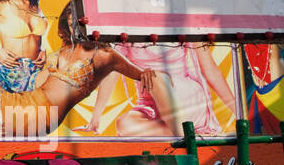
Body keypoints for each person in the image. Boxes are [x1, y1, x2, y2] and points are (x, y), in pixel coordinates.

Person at [0, 4, 176, 138]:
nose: (77, 30)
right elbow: (35, 85)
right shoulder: (64, 49)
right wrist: (39, 61)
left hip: (41, 115)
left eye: (81, 24)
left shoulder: (106, 55)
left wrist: (147, 73)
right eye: (72, 24)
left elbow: (142, 73)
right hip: (27, 105)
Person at [84, 41, 235, 138]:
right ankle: (189, 136)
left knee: (153, 76)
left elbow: (211, 71)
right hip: (150, 104)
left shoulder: (182, 17)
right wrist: (96, 118)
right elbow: (112, 72)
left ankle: (183, 143)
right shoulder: (125, 28)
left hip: (185, 96)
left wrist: (239, 112)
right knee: (123, 124)